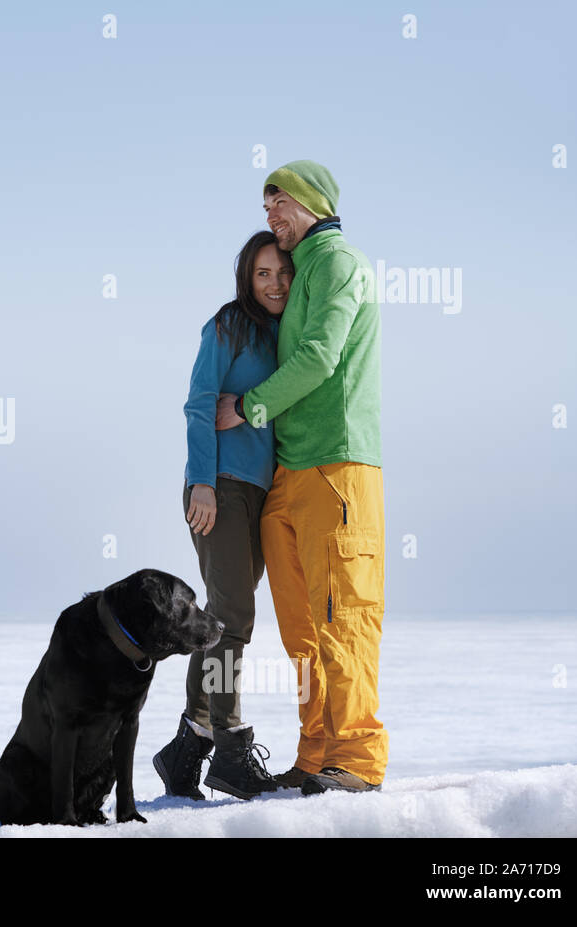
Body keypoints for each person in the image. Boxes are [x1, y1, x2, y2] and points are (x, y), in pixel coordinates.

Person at [215, 160, 387, 794]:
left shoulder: (338, 263)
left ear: (311, 202)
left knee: (345, 614)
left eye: (278, 203)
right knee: (303, 628)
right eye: (265, 208)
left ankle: (359, 760)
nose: (270, 217)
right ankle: (315, 754)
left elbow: (321, 355)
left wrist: (250, 405)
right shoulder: (302, 269)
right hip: (292, 470)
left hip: (337, 465)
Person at [152, 230, 292, 801]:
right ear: (245, 278)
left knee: (219, 617)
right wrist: (203, 485)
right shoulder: (228, 326)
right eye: (263, 274)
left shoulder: (283, 336)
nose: (275, 283)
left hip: (259, 492)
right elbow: (198, 403)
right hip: (220, 487)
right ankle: (230, 749)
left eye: (282, 272)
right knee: (233, 618)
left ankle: (186, 749)